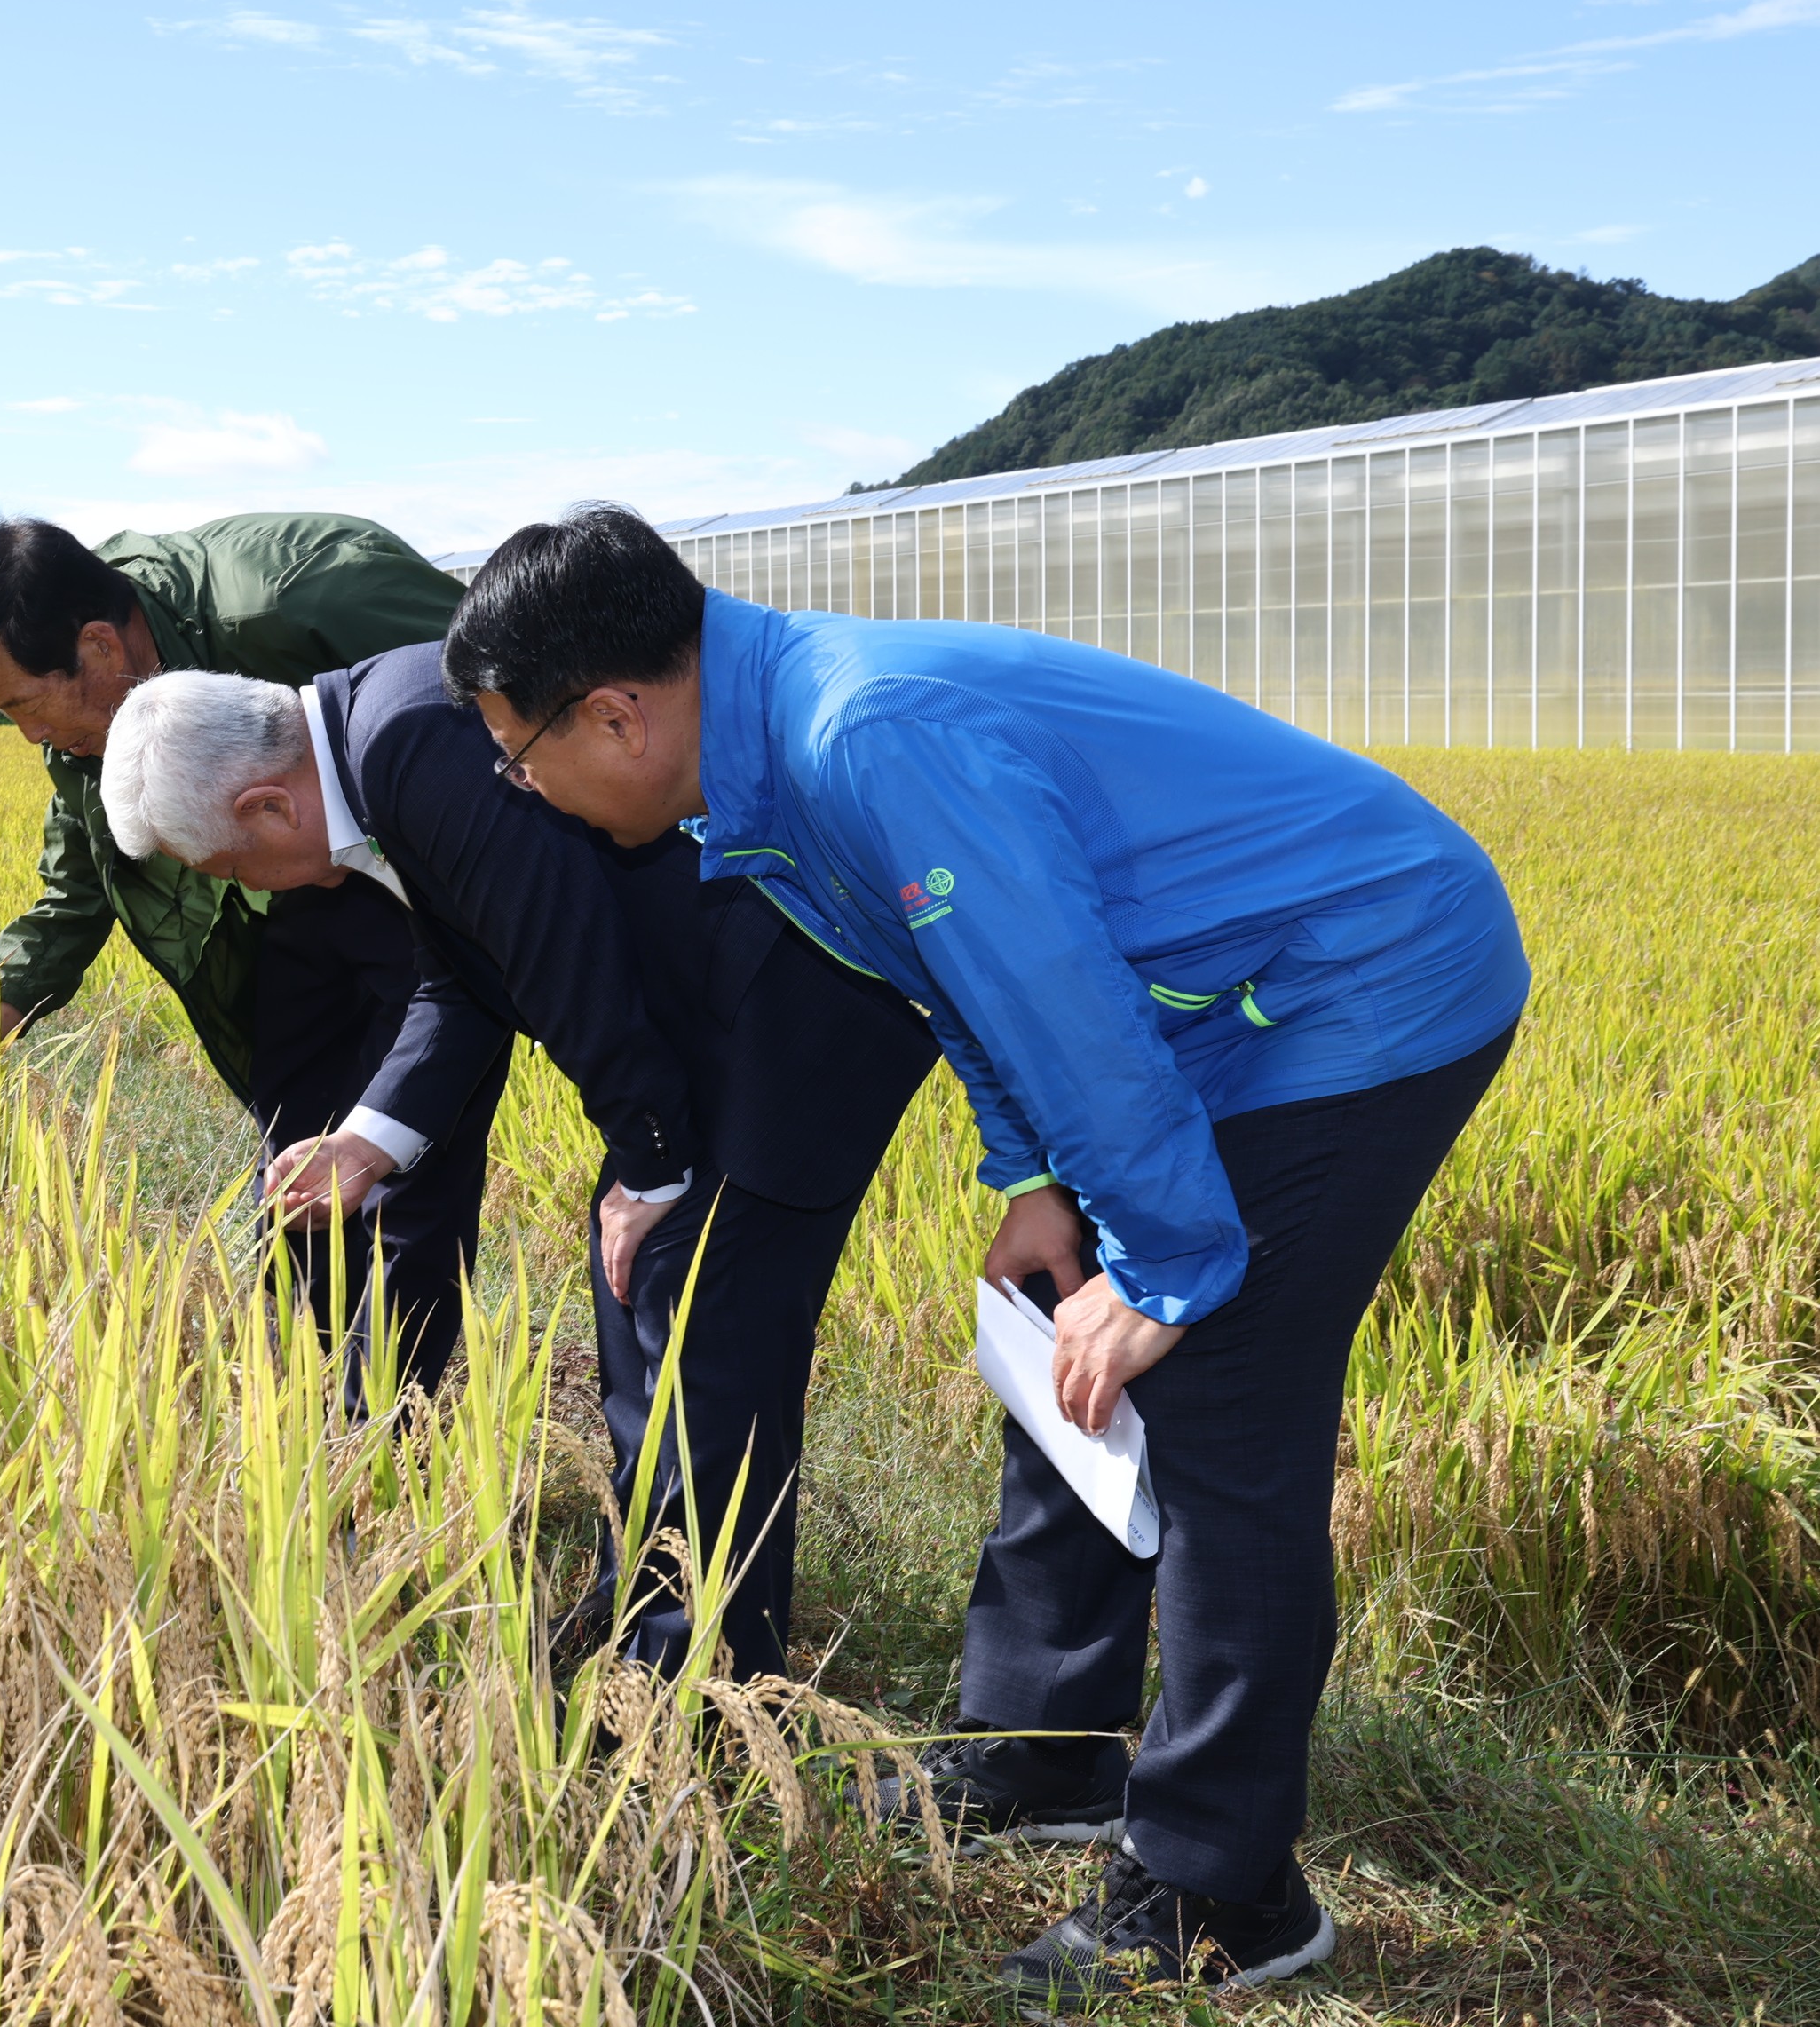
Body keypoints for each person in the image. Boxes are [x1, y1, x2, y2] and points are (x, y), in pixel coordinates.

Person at [439, 504, 1528, 2003]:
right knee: (1059, 1325)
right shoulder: (768, 752)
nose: (517, 783)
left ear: (613, 713)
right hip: (1203, 1002)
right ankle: (1042, 1744)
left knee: (1216, 1398)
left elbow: (1058, 997)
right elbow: (957, 976)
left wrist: (1160, 1268)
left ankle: (1225, 1890)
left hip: (1361, 977)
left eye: (515, 749)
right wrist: (1032, 1179)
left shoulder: (863, 734)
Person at [99, 653, 937, 1679]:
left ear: (267, 805)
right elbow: (464, 973)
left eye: (229, 869)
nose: (250, 890)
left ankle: (708, 1696)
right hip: (707, 1021)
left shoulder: (408, 743)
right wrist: (369, 1138)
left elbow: (565, 952)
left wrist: (654, 1166)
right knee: (642, 1316)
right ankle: (654, 1611)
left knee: (701, 1324)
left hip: (784, 1004)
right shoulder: (373, 743)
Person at [0, 514, 487, 1404]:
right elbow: (85, 873)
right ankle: (297, 1390)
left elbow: (525, 688)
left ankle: (379, 1433)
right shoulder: (91, 721)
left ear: (99, 646)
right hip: (288, 888)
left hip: (420, 877)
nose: (27, 737)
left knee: (404, 1149)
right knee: (297, 1138)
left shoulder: (301, 602)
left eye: (23, 707)